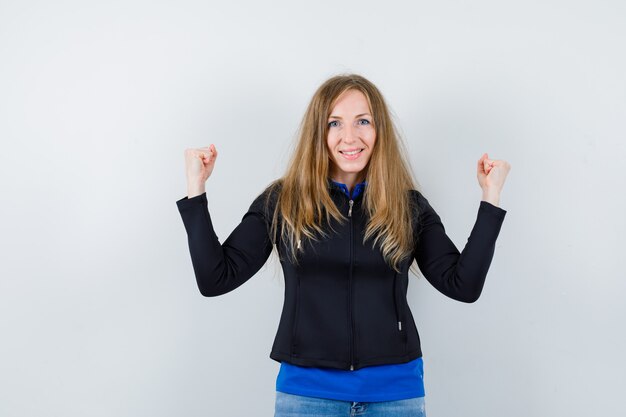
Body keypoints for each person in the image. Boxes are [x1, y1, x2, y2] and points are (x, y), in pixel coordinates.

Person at [176, 73, 511, 417]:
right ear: (317, 133)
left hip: (395, 396)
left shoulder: (407, 206)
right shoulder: (283, 201)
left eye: (362, 121)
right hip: (307, 396)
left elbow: (463, 285)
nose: (349, 137)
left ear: (379, 130)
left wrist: (491, 198)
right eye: (334, 123)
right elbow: (215, 279)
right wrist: (195, 187)